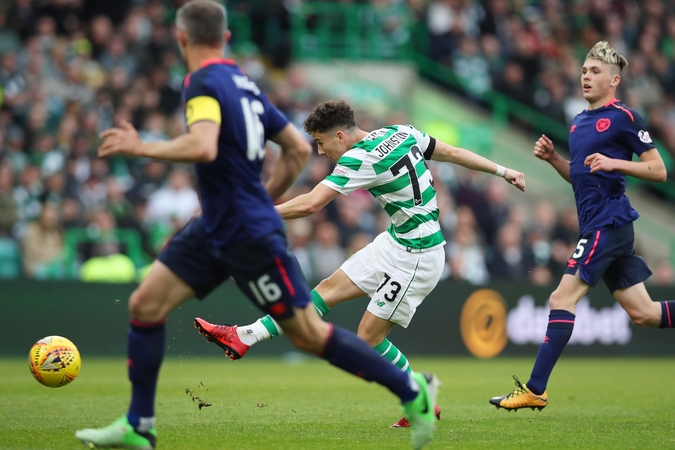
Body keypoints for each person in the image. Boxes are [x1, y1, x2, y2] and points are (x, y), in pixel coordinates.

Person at [74, 3, 439, 450]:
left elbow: (204, 143)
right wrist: (263, 200)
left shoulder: (202, 82)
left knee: (307, 333)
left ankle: (412, 391)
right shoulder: (245, 83)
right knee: (145, 303)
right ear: (226, 39)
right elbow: (295, 150)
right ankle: (139, 425)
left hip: (243, 230)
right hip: (217, 224)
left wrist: (143, 145)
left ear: (181, 38)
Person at [194, 99, 526, 427]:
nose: (321, 153)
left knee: (368, 337)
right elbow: (452, 153)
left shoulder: (358, 159)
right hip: (396, 242)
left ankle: (420, 398)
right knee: (324, 292)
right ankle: (244, 335)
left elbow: (311, 204)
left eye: (321, 143)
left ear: (339, 136)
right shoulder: (401, 132)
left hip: (418, 255)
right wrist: (502, 170)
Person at [489, 41, 675, 413]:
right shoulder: (577, 122)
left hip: (609, 221)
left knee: (561, 299)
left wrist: (617, 164)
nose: (586, 77)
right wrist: (556, 158)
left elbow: (660, 169)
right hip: (601, 223)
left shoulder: (625, 117)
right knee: (645, 313)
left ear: (614, 80)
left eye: (595, 72)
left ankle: (536, 389)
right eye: (584, 71)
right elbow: (582, 177)